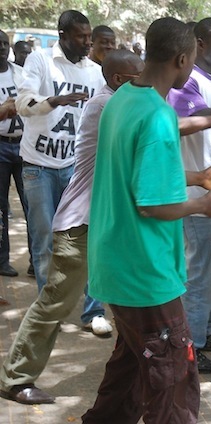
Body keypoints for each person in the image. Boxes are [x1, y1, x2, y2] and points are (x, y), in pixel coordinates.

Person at [81, 17, 211, 423]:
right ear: (183, 59)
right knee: (174, 379)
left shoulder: (122, 99)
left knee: (131, 370)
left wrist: (196, 178)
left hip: (115, 264)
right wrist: (205, 205)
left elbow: (135, 172)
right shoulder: (157, 115)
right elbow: (152, 205)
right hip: (145, 274)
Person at [0, 49, 145, 406]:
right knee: (54, 303)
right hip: (81, 226)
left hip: (104, 225)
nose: (145, 83)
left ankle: (139, 372)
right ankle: (16, 378)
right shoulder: (106, 106)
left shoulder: (119, 103)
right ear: (118, 80)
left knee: (132, 300)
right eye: (137, 78)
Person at [15, 10, 106, 338]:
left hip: (76, 170)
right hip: (37, 168)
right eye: (81, 36)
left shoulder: (96, 72)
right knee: (44, 243)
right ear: (63, 35)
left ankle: (93, 310)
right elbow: (23, 102)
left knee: (88, 239)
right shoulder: (40, 61)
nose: (87, 42)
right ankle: (48, 310)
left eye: (89, 36)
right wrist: (54, 100)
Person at [166, 17, 211, 374]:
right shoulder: (188, 81)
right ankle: (189, 346)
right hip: (197, 195)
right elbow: (181, 121)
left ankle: (206, 330)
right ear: (199, 42)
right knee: (198, 274)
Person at [0, 30, 32, 278]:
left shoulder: (20, 74)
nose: (2, 47)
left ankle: (36, 261)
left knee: (31, 205)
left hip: (22, 145)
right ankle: (3, 260)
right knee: (1, 208)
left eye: (5, 43)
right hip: (0, 146)